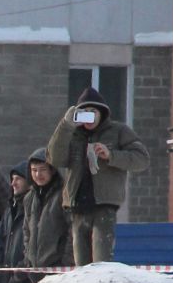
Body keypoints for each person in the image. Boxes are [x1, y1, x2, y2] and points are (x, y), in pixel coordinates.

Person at [47, 87, 149, 266]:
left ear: (101, 113)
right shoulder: (72, 134)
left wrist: (111, 155)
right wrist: (65, 125)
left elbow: (141, 159)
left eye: (92, 112)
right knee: (82, 266)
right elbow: (54, 158)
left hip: (104, 205)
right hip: (77, 205)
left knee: (101, 263)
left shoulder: (118, 131)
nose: (89, 117)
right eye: (84, 113)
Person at [20, 147, 70, 283]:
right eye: (34, 170)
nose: (38, 174)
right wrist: (27, 257)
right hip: (34, 269)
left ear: (52, 170)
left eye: (42, 169)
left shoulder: (64, 194)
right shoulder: (29, 198)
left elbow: (72, 229)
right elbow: (26, 231)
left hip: (58, 267)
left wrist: (65, 260)